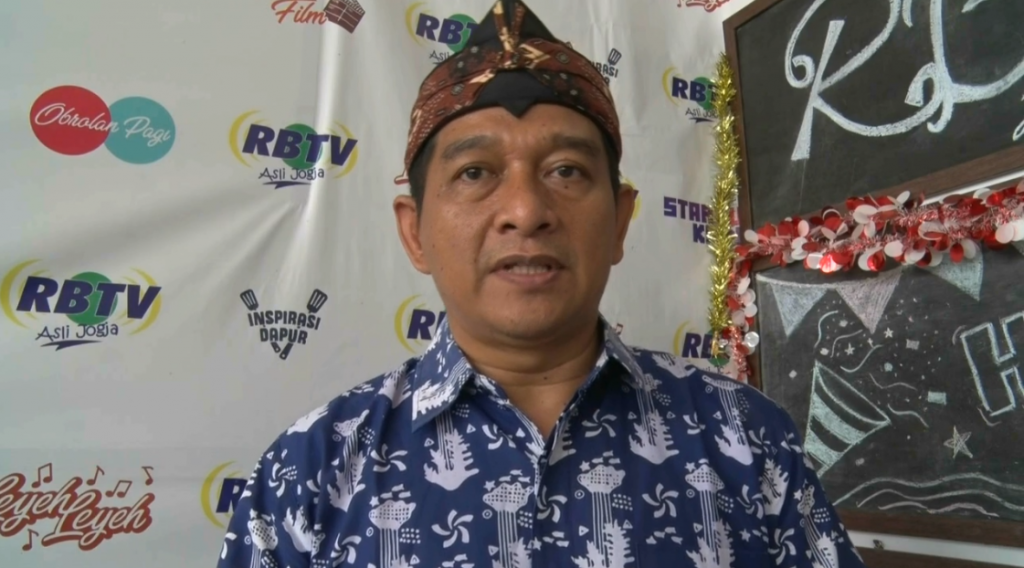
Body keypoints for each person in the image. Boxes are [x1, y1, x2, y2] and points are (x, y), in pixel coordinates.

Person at [216, 1, 866, 566]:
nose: (526, 211)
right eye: (475, 173)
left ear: (620, 221)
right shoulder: (313, 471)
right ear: (415, 232)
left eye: (565, 171)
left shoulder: (745, 440)